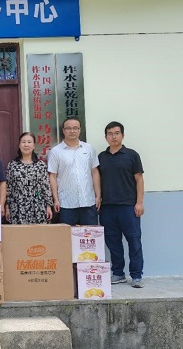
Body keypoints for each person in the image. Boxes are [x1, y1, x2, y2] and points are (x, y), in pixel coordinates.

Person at [98, 121, 145, 288]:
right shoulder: (101, 157)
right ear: (106, 137)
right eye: (110, 134)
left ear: (122, 135)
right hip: (107, 207)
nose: (114, 136)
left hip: (128, 206)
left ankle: (136, 275)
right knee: (113, 242)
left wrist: (139, 202)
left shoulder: (132, 155)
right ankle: (118, 273)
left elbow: (139, 179)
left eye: (117, 133)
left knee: (134, 241)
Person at [48, 117, 100, 225]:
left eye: (75, 128)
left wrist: (98, 196)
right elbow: (52, 176)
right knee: (68, 235)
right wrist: (56, 199)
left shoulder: (89, 149)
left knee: (90, 234)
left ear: (80, 130)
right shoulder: (55, 151)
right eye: (68, 128)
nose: (72, 131)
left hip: (88, 201)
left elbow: (94, 172)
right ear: (63, 131)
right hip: (66, 203)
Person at [5, 132, 53, 224]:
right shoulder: (12, 165)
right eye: (23, 142)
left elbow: (45, 186)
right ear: (19, 145)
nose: (26, 145)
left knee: (38, 232)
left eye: (29, 142)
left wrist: (48, 206)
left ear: (34, 145)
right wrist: (7, 207)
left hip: (38, 206)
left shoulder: (40, 165)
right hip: (17, 206)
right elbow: (8, 188)